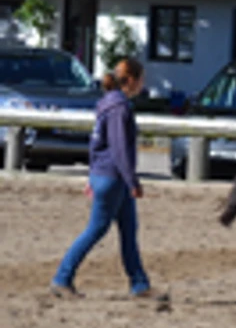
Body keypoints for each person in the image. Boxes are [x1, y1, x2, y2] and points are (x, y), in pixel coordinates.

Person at [51, 58, 161, 299]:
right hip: (113, 177)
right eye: (141, 79)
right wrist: (132, 181)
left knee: (129, 230)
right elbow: (119, 149)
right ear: (130, 80)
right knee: (96, 229)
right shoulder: (119, 108)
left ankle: (140, 284)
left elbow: (96, 145)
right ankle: (62, 278)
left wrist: (92, 176)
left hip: (108, 176)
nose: (143, 84)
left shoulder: (107, 104)